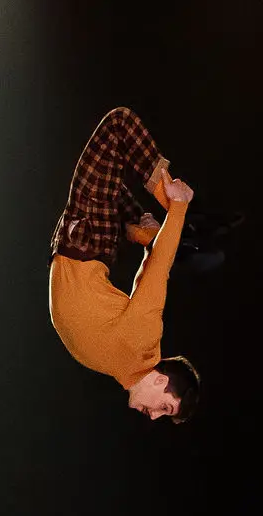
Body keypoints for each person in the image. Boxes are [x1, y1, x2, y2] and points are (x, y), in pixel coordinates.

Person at [48, 106, 203, 421]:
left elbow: (144, 280)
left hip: (85, 237)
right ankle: (167, 198)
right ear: (161, 380)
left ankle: (145, 230)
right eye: (164, 407)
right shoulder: (143, 343)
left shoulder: (121, 365)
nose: (153, 416)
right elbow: (158, 273)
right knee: (119, 124)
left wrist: (150, 246)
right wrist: (177, 208)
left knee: (111, 180)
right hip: (88, 235)